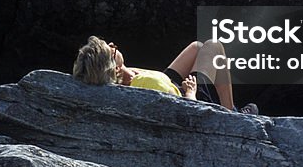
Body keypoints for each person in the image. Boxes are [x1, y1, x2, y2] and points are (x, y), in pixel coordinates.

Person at [72, 35, 258, 114]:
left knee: (196, 48)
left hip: (168, 84)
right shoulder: (147, 83)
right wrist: (190, 94)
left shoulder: (125, 76)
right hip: (187, 96)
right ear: (115, 69)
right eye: (111, 50)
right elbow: (186, 113)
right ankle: (232, 113)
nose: (113, 44)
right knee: (213, 46)